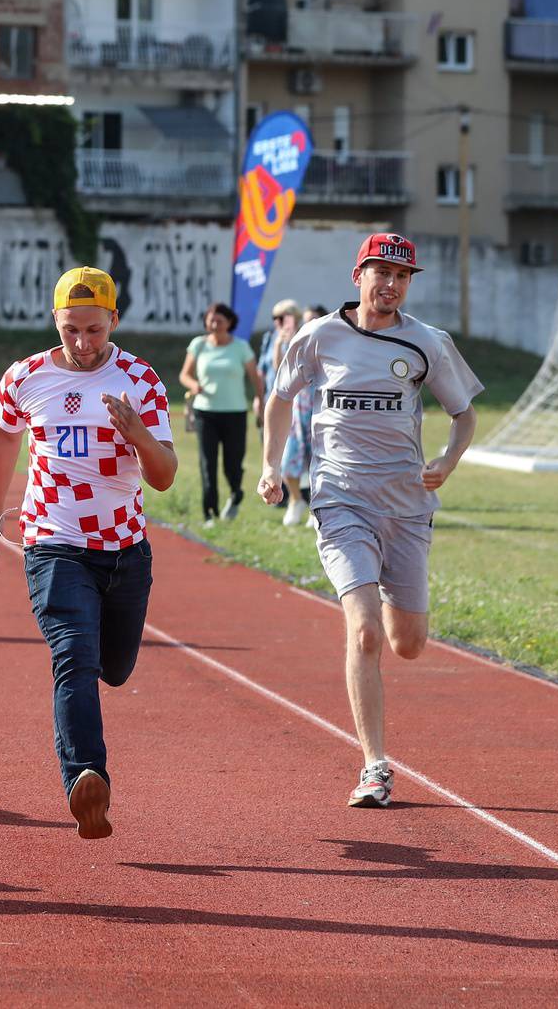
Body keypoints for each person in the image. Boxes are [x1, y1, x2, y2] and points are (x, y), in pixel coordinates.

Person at [259, 234, 481, 810]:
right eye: (380, 272)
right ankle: (374, 767)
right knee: (364, 632)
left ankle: (388, 590)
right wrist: (272, 466)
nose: (390, 284)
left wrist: (448, 460)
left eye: (402, 276)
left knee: (408, 643)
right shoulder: (319, 336)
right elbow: (281, 398)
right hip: (339, 501)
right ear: (358, 275)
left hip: (407, 507)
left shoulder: (427, 343)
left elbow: (464, 413)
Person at [0, 266, 176, 840]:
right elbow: (3, 435)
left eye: (93, 330)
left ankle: (87, 763)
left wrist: (138, 433)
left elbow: (162, 478)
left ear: (113, 320)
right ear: (55, 322)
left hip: (123, 549)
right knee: (73, 655)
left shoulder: (140, 379)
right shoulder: (27, 376)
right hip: (52, 544)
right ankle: (86, 778)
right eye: (71, 330)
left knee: (113, 669)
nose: (83, 343)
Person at [179, 302, 264, 524]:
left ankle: (236, 493)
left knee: (232, 463)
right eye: (210, 320)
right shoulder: (198, 345)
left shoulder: (241, 347)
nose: (214, 324)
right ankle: (210, 512)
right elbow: (184, 375)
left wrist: (260, 402)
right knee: (208, 463)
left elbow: (256, 379)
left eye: (219, 320)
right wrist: (193, 385)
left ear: (229, 322)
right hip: (205, 413)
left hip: (235, 412)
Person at [256, 298, 306, 524]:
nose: (279, 322)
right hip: (275, 401)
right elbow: (272, 370)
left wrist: (291, 340)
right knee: (282, 455)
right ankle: (293, 498)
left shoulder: (305, 336)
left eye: (284, 317)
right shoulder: (270, 338)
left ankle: (310, 503)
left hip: (303, 404)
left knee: (310, 454)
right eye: (276, 318)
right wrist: (278, 344)